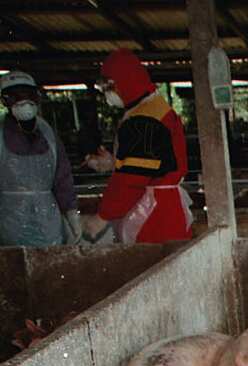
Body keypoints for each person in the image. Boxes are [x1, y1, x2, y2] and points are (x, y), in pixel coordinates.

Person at [81, 49, 192, 245]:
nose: (107, 92)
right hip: (163, 206)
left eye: (109, 86)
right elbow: (152, 163)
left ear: (124, 81)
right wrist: (114, 163)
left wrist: (102, 217)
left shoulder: (144, 120)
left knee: (153, 260)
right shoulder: (150, 108)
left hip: (154, 214)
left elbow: (132, 179)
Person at [0, 71, 78, 247]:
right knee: (15, 262)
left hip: (48, 222)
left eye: (28, 95)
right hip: (8, 223)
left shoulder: (47, 133)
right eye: (16, 96)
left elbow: (62, 177)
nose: (24, 101)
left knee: (51, 260)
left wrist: (71, 212)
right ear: (5, 100)